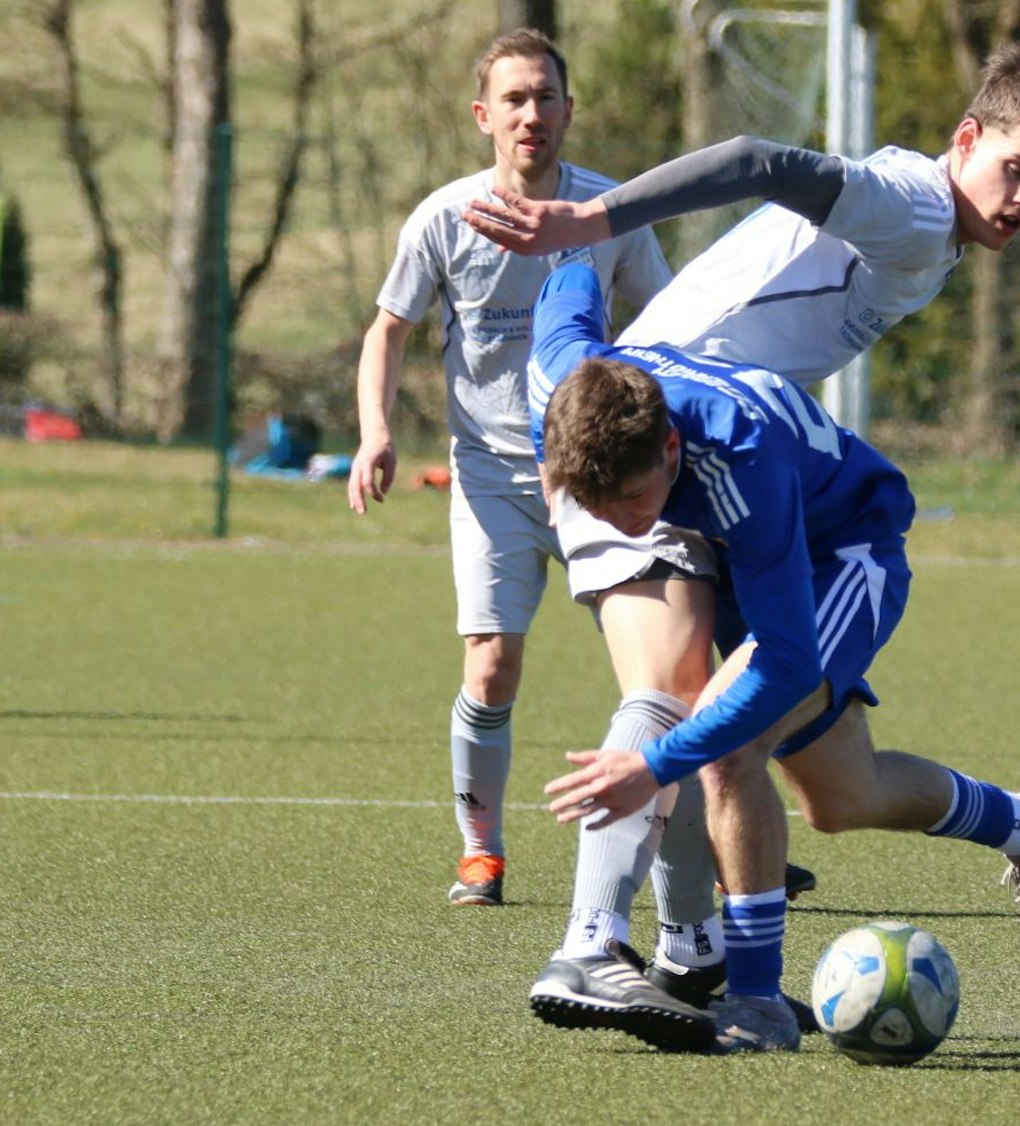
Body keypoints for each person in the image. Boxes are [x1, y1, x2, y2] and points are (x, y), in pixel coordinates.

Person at [463, 42, 1020, 1043]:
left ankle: (713, 969)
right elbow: (758, 164)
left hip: (771, 492)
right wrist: (586, 227)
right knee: (771, 757)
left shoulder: (928, 207)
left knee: (750, 749)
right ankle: (659, 946)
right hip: (660, 442)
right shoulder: (919, 206)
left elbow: (979, 176)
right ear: (966, 139)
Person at [531, 262, 1020, 1054]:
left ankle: (756, 1002)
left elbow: (785, 665)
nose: (618, 523)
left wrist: (654, 766)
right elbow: (568, 284)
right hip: (749, 558)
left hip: (844, 554)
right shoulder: (565, 381)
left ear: (672, 447)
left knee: (729, 749)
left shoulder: (741, 458)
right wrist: (575, 237)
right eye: (595, 504)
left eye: (635, 502)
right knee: (845, 796)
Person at [344, 30, 695, 948]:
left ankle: (698, 842)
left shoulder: (610, 212)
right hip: (490, 478)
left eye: (545, 96)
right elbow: (388, 331)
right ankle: (482, 850)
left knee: (664, 672)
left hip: (599, 481)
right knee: (492, 666)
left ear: (569, 110)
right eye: (513, 98)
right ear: (483, 116)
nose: (530, 113)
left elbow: (667, 325)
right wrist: (377, 430)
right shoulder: (443, 218)